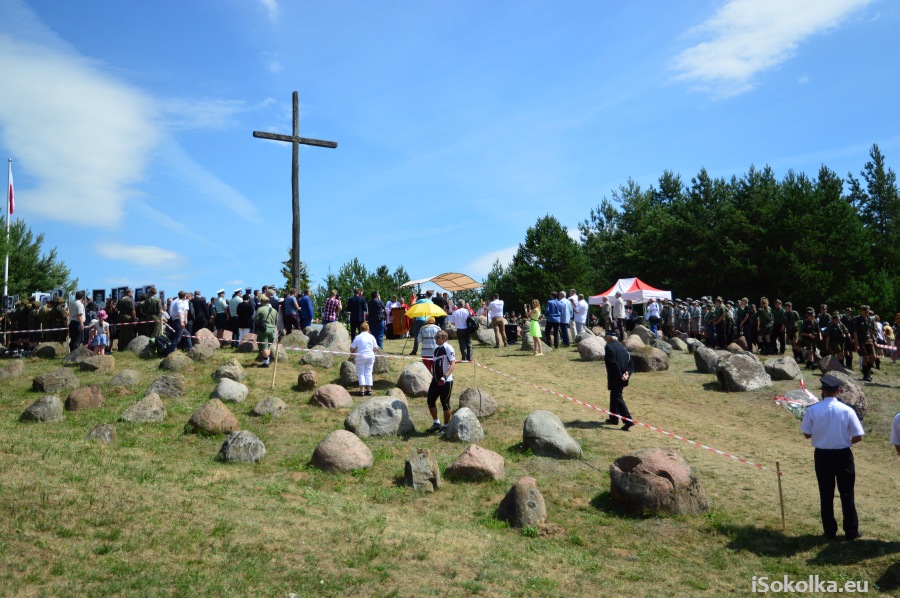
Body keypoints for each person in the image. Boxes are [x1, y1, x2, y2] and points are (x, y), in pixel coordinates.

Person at [800, 374, 864, 541]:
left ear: (822, 391)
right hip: (843, 455)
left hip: (822, 455)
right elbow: (858, 435)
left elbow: (807, 434)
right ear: (838, 391)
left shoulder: (812, 410)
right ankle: (851, 530)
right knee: (847, 493)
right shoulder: (847, 410)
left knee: (826, 494)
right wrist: (846, 440)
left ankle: (829, 531)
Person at [425, 330, 456, 434]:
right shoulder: (436, 349)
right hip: (436, 380)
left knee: (445, 403)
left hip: (446, 381)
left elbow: (452, 364)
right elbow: (435, 364)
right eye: (435, 337)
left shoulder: (448, 348)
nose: (435, 338)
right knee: (430, 400)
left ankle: (446, 426)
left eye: (437, 337)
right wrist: (434, 376)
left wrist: (445, 376)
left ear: (444, 338)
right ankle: (436, 423)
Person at [603, 332, 635, 431]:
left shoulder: (609, 348)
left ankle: (628, 420)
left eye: (605, 336)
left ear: (609, 337)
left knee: (617, 398)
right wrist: (627, 374)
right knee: (614, 396)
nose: (604, 338)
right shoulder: (623, 348)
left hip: (616, 377)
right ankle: (613, 418)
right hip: (623, 377)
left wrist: (620, 376)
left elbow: (612, 364)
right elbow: (630, 363)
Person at [349, 321, 377, 396]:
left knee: (361, 373)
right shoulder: (372, 337)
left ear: (360, 329)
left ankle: (362, 390)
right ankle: (369, 389)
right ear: (368, 329)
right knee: (368, 372)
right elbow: (375, 348)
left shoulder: (358, 337)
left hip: (360, 356)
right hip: (370, 356)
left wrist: (354, 351)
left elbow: (351, 349)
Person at [853, 305, 876, 382]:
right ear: (861, 311)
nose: (866, 312)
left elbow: (870, 330)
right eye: (865, 311)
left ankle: (866, 371)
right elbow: (855, 332)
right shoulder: (857, 319)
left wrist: (874, 340)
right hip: (860, 340)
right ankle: (866, 375)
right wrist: (856, 344)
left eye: (867, 311)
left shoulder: (869, 319)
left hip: (868, 339)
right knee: (865, 357)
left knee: (873, 356)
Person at [254, 295, 278, 367]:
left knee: (264, 346)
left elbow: (255, 320)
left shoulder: (260, 309)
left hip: (264, 329)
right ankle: (268, 360)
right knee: (268, 346)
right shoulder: (274, 310)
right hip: (272, 329)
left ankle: (265, 363)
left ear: (261, 301)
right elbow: (276, 320)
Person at [409, 291, 433, 355]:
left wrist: (415, 299)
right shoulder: (431, 302)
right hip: (427, 320)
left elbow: (412, 305)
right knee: (427, 336)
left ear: (425, 294)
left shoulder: (421, 300)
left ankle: (414, 351)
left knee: (417, 336)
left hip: (420, 319)